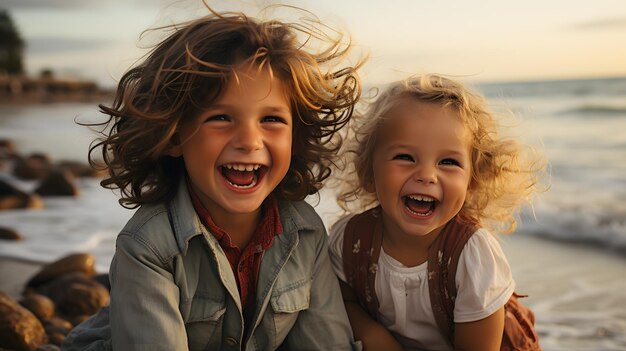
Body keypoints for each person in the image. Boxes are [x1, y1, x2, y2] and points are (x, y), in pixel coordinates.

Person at [62, 6, 363, 351]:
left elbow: (326, 344)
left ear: (295, 138)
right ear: (174, 136)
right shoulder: (147, 246)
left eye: (271, 120)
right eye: (221, 117)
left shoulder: (305, 233)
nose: (249, 141)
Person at [328, 74, 546, 351]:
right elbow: (344, 302)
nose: (427, 175)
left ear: (472, 181)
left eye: (448, 162)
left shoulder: (472, 255)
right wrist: (375, 337)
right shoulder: (349, 240)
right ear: (368, 171)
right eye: (405, 157)